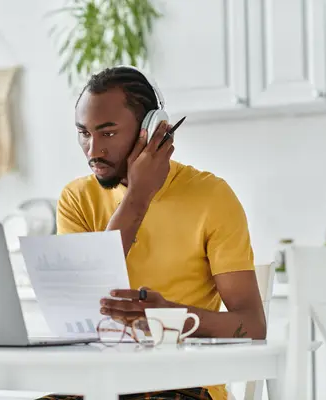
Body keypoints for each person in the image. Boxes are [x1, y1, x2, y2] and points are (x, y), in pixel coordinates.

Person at [41, 66, 266, 400]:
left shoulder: (212, 197)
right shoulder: (77, 199)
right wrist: (137, 197)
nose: (92, 150)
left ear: (153, 131)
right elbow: (82, 306)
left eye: (108, 133)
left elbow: (252, 326)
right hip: (97, 386)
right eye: (84, 133)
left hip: (184, 387)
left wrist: (170, 318)